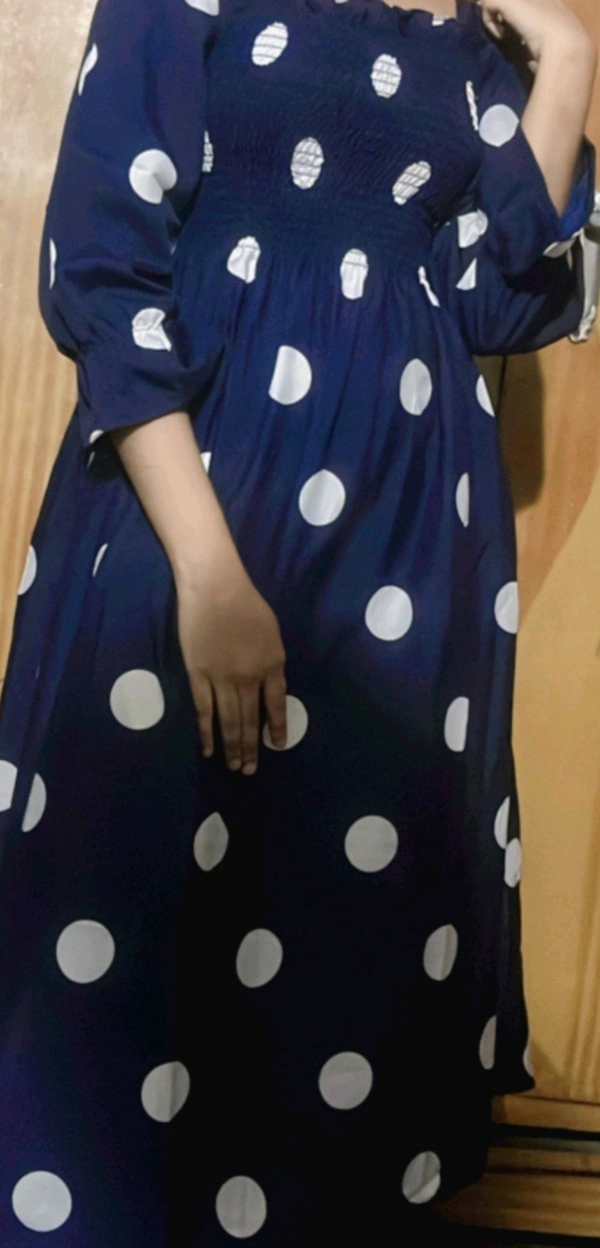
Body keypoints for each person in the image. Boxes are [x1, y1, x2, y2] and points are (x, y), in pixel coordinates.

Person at [0, 0, 595, 1241]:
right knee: (130, 901)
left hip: (408, 542)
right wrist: (208, 572)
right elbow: (101, 258)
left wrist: (572, 58)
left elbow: (506, 296)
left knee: (341, 933)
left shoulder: (473, 45)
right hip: (198, 506)